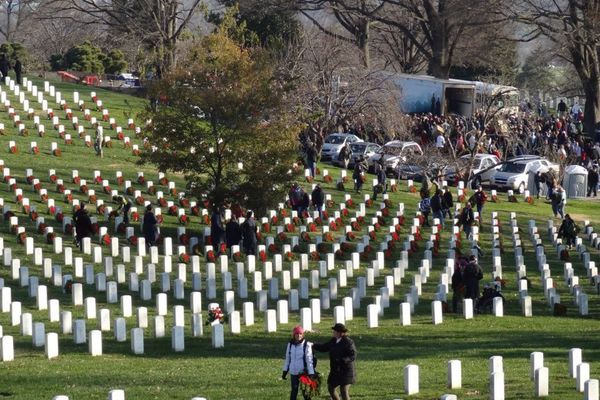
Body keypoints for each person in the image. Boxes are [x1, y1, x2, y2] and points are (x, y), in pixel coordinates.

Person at [313, 323, 356, 400]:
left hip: (346, 370)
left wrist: (343, 360)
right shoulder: (333, 341)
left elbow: (353, 355)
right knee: (331, 388)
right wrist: (313, 345)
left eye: (334, 331)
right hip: (335, 370)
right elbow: (324, 347)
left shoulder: (348, 342)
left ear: (340, 332)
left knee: (343, 390)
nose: (333, 332)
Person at [282, 325, 316, 400]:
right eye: (297, 334)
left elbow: (309, 359)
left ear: (303, 334)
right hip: (293, 372)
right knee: (294, 391)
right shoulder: (290, 344)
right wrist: (285, 371)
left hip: (303, 373)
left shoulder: (306, 345)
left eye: (300, 334)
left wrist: (311, 373)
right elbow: (288, 358)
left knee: (305, 392)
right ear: (294, 335)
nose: (299, 335)